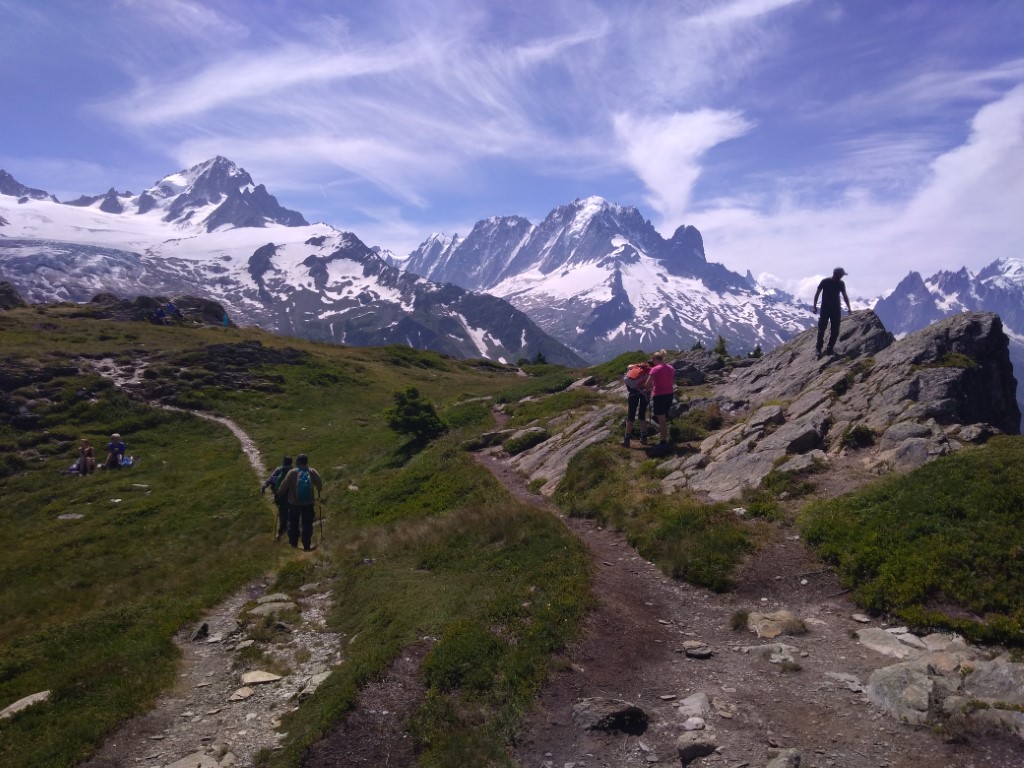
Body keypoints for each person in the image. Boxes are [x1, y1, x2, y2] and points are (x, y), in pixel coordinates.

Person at [275, 453, 323, 551]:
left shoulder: (292, 472)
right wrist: (317, 490)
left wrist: (279, 494)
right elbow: (319, 485)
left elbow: (284, 486)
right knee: (307, 523)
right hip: (308, 503)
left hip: (294, 503)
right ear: (306, 462)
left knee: (293, 523)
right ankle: (306, 544)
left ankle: (293, 544)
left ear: (298, 462)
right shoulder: (312, 471)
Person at [813, 267, 852, 358]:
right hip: (825, 308)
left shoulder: (841, 283)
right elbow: (817, 293)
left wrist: (849, 307)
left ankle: (830, 348)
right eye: (841, 275)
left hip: (836, 309)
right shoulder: (825, 281)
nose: (842, 277)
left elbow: (844, 295)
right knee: (822, 329)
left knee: (835, 330)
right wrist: (814, 306)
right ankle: (818, 348)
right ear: (837, 274)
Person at [648, 350, 676, 451]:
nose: (652, 361)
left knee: (661, 419)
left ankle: (663, 442)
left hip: (659, 395)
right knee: (663, 417)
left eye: (652, 359)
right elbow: (671, 381)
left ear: (655, 359)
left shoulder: (655, 369)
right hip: (669, 394)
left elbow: (647, 384)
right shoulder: (671, 368)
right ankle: (666, 437)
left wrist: (647, 389)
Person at [261, 455, 293, 543]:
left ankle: (280, 535)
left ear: (283, 461)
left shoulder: (279, 469)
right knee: (290, 513)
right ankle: (288, 534)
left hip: (280, 496)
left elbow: (271, 479)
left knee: (283, 513)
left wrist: (264, 486)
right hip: (291, 496)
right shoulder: (294, 471)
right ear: (291, 462)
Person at [622, 361, 651, 447]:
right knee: (642, 415)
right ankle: (644, 437)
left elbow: (627, 384)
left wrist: (632, 389)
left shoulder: (631, 372)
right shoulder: (648, 372)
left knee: (630, 415)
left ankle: (627, 439)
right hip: (645, 394)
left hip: (633, 392)